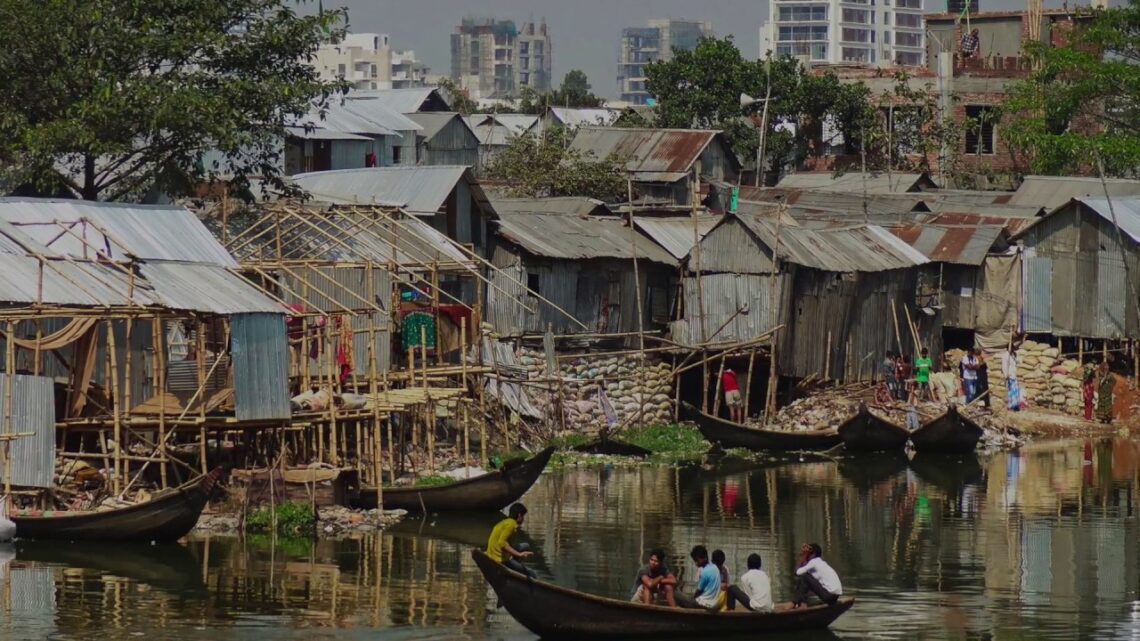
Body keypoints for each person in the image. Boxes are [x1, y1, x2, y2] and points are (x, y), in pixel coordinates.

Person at [486, 503, 535, 578]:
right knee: (532, 574)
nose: (523, 519)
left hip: (496, 553)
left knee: (525, 545)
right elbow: (502, 543)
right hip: (499, 559)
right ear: (519, 516)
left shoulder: (506, 522)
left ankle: (516, 563)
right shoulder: (511, 525)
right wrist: (519, 554)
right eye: (523, 516)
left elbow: (506, 542)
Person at [792, 543, 843, 608]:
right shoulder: (821, 563)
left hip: (829, 596)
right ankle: (799, 602)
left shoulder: (814, 562)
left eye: (809, 553)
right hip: (834, 596)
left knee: (804, 577)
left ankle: (799, 603)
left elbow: (797, 572)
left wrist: (803, 556)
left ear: (813, 554)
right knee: (805, 579)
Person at [679, 545, 721, 610]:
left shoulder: (704, 572)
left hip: (705, 604)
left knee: (677, 595)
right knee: (687, 597)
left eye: (697, 561)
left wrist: (692, 599)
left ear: (705, 558)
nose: (696, 563)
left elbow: (698, 592)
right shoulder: (715, 568)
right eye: (695, 561)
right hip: (715, 603)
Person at [1001, 344, 1020, 412]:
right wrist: (1006, 374)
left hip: (1014, 375)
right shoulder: (1006, 356)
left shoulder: (1013, 355)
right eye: (1011, 348)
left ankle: (1015, 405)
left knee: (1015, 391)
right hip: (1009, 375)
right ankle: (1011, 405)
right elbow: (1004, 366)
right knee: (1011, 391)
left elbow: (1015, 364)